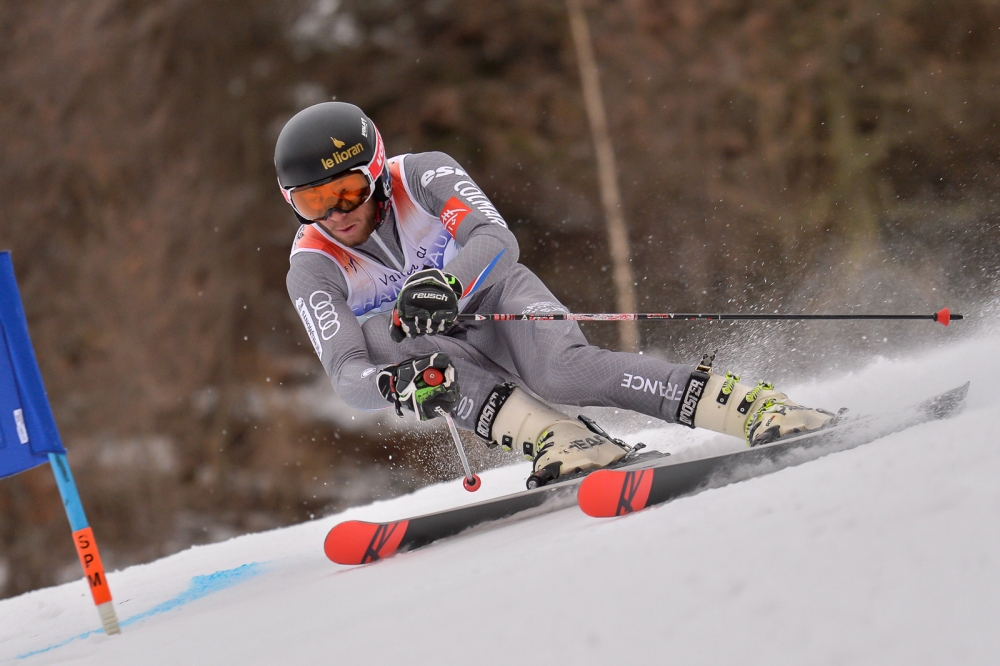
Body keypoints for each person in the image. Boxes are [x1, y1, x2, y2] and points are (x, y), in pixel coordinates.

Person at [277, 102, 833, 487]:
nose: (336, 213)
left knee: (561, 374)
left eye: (347, 190)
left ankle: (752, 407)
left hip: (498, 298)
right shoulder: (312, 267)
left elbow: (496, 240)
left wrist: (449, 285)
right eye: (312, 203)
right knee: (383, 337)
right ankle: (561, 438)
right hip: (446, 352)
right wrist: (389, 385)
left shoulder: (421, 176)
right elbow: (345, 371)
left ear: (374, 172)